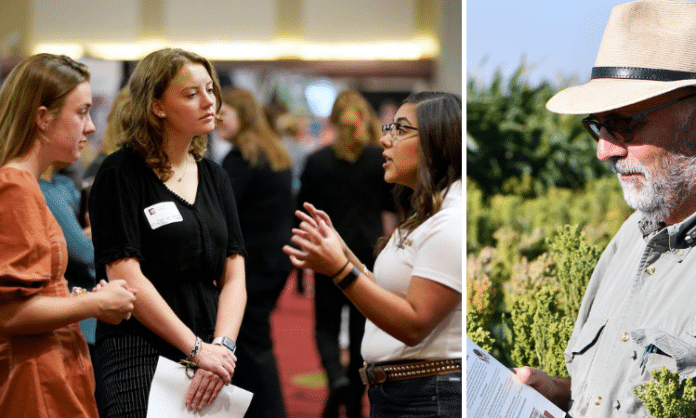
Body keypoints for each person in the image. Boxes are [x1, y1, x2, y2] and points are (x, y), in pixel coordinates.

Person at [512, 1, 696, 416]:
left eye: (625, 124)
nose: (604, 150)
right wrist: (558, 392)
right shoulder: (631, 238)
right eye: (598, 126)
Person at [88, 48, 247, 417]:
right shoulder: (120, 173)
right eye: (192, 94)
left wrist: (221, 347)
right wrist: (196, 350)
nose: (210, 101)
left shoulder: (214, 176)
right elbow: (126, 277)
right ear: (157, 106)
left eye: (210, 89)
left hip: (211, 347)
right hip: (139, 348)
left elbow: (234, 272)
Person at [284, 91, 462, 417]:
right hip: (407, 393)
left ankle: (339, 382)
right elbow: (393, 291)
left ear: (436, 141)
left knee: (327, 327)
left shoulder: (449, 220)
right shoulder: (427, 212)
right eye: (388, 128)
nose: (385, 140)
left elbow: (414, 323)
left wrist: (341, 269)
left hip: (426, 397)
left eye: (401, 130)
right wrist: (348, 259)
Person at [0, 53, 137, 417]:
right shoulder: (16, 187)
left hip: (47, 372)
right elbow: (12, 314)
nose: (90, 127)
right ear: (43, 118)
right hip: (33, 381)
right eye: (81, 113)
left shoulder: (26, 183)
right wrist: (93, 304)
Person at [294, 89, 395, 418]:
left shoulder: (317, 161)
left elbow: (302, 210)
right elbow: (390, 206)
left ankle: (335, 378)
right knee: (359, 330)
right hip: (367, 251)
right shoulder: (376, 161)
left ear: (333, 122)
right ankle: (353, 400)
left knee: (325, 324)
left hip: (328, 251)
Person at [218, 87, 293, 418]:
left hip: (253, 267)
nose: (217, 118)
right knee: (255, 344)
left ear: (244, 116)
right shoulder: (273, 152)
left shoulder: (242, 157)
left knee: (250, 347)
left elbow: (223, 209)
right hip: (275, 262)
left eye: (225, 113)